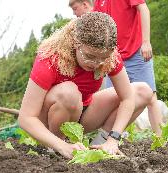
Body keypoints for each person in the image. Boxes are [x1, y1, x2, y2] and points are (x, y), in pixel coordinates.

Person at [18, 12, 153, 159]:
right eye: (90, 56)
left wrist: (113, 139)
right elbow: (26, 117)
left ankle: (101, 144)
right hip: (51, 119)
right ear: (76, 43)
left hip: (84, 113)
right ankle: (56, 147)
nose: (96, 64)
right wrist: (61, 145)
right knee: (68, 93)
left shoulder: (109, 56)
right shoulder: (51, 57)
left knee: (143, 91)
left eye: (103, 58)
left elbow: (128, 98)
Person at [93, 0, 163, 136]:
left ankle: (161, 140)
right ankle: (109, 140)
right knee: (113, 101)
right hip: (112, 56)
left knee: (150, 97)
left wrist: (146, 42)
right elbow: (98, 24)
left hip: (136, 51)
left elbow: (144, 9)